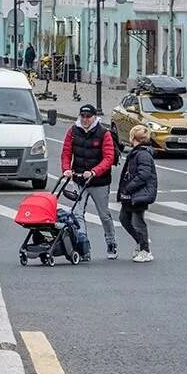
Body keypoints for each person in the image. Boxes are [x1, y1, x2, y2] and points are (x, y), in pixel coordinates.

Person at [61, 104, 118, 260]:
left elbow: (108, 158)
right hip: (79, 179)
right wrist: (66, 169)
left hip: (99, 181)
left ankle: (111, 242)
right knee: (78, 213)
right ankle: (83, 246)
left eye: (88, 117)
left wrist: (94, 172)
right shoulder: (73, 131)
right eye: (83, 116)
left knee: (104, 215)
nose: (85, 119)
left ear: (94, 117)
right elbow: (66, 153)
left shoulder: (103, 133)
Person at [117, 125, 158, 262]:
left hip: (139, 194)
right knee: (124, 218)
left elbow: (144, 175)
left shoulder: (143, 153)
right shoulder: (138, 152)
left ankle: (145, 250)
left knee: (137, 221)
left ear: (133, 138)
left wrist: (129, 187)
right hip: (133, 194)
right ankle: (141, 242)